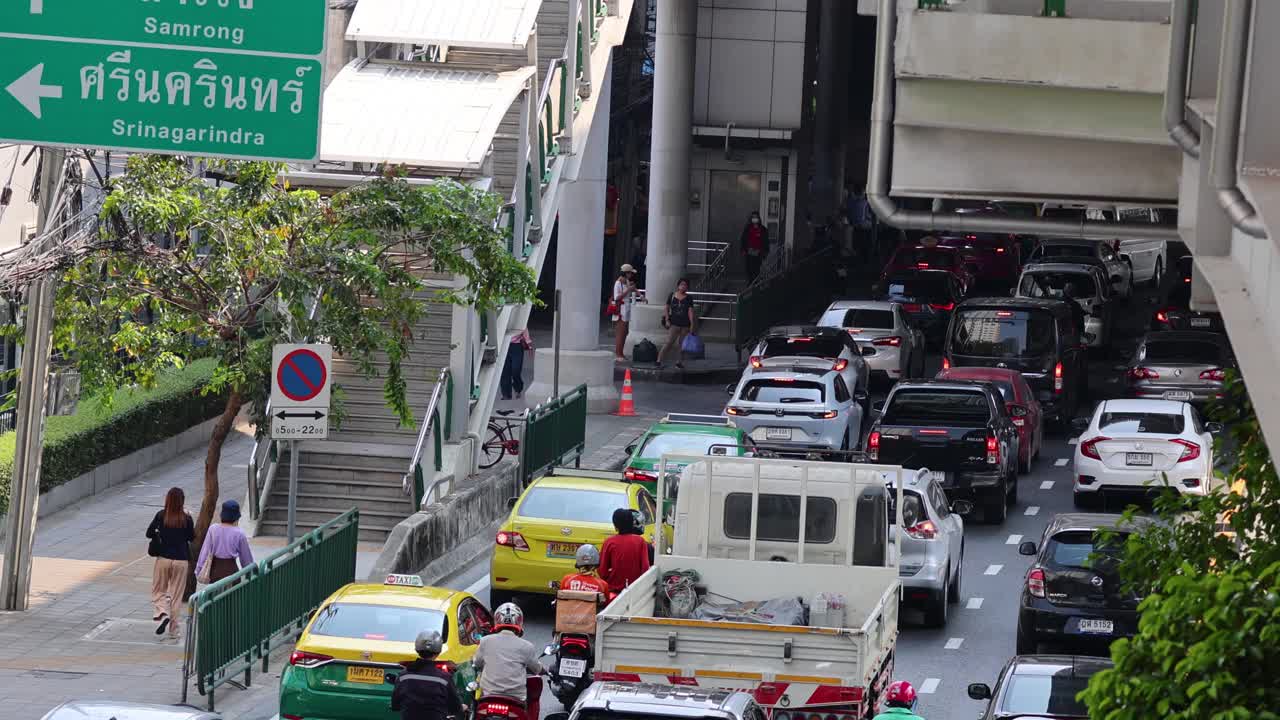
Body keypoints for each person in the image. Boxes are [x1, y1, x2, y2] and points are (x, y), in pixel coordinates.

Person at [146, 487, 194, 638]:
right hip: (181, 560)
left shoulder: (161, 515)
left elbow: (148, 533)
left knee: (158, 590)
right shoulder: (186, 518)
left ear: (167, 500)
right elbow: (191, 537)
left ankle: (163, 612)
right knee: (176, 595)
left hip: (163, 559)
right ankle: (174, 630)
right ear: (182, 502)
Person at [473, 602, 542, 705]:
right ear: (519, 622)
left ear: (497, 620)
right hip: (516, 699)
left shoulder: (485, 641)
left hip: (489, 696)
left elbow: (477, 663)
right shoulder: (527, 646)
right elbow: (536, 669)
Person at [391, 630, 463, 720]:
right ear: (438, 652)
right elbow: (455, 707)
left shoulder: (403, 676)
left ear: (417, 649)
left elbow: (395, 705)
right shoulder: (444, 678)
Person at [195, 499, 254, 584]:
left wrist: (199, 569)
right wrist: (251, 572)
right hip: (231, 571)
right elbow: (246, 559)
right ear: (236, 517)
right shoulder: (239, 533)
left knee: (215, 595)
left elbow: (205, 551)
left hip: (214, 572)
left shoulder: (213, 529)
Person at [600, 508, 652, 593]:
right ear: (632, 523)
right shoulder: (640, 541)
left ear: (615, 525)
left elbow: (602, 571)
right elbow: (645, 568)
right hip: (635, 590)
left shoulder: (609, 542)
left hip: (613, 590)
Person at [658, 278, 696, 370]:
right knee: (669, 342)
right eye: (682, 284)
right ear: (678, 286)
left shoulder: (689, 298)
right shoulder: (672, 295)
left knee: (682, 344)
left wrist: (692, 324)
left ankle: (679, 362)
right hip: (674, 323)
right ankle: (659, 360)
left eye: (685, 285)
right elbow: (666, 308)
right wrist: (667, 320)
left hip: (685, 324)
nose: (683, 286)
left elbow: (690, 311)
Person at [611, 265, 638, 362]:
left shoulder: (626, 282)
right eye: (630, 273)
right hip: (620, 311)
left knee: (625, 332)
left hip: (626, 310)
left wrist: (641, 296)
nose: (631, 275)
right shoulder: (618, 283)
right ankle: (618, 354)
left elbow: (633, 289)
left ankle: (621, 353)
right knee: (620, 333)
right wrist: (628, 290)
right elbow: (617, 297)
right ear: (626, 273)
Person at [501, 329, 533, 400]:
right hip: (504, 344)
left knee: (516, 369)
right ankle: (506, 394)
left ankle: (518, 388)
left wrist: (529, 345)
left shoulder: (519, 318)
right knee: (505, 371)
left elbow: (524, 329)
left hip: (517, 345)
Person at [740, 211, 770, 282]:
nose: (754, 219)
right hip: (749, 253)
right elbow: (743, 239)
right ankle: (750, 284)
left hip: (758, 253)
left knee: (756, 270)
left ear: (759, 218)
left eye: (756, 217)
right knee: (749, 270)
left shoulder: (763, 229)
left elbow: (766, 241)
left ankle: (755, 284)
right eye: (753, 217)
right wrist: (743, 250)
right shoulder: (747, 229)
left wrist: (765, 252)